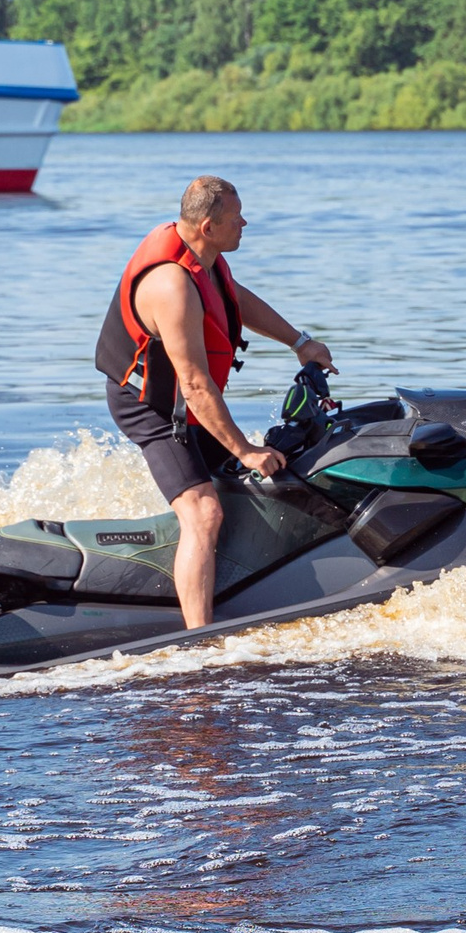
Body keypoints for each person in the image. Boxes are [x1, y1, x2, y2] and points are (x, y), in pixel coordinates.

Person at [94, 176, 335, 632]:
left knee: (247, 480)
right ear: (208, 226)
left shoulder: (206, 259)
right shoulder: (171, 285)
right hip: (149, 406)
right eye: (236, 217)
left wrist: (299, 342)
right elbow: (195, 386)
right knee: (204, 511)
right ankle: (202, 641)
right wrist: (245, 448)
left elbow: (234, 298)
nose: (245, 223)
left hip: (185, 397)